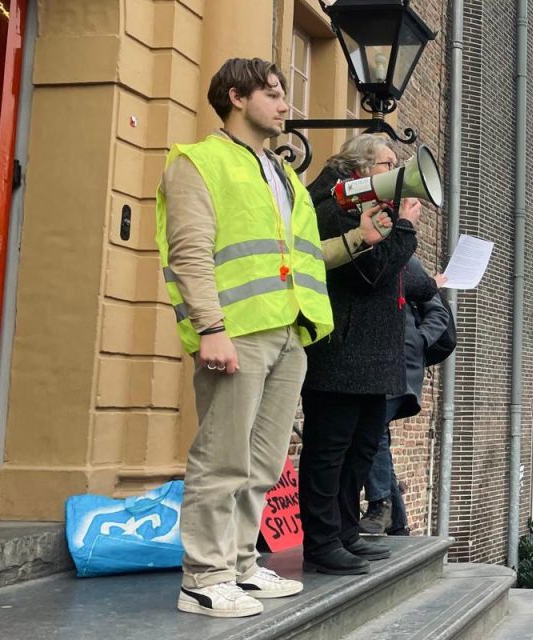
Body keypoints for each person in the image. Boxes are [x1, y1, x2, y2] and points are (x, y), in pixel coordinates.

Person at [158, 58, 393, 617]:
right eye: (273, 94)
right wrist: (210, 328)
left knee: (263, 460)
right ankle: (204, 576)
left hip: (290, 332)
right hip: (236, 332)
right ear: (236, 97)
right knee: (223, 455)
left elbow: (307, 257)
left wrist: (358, 239)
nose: (287, 106)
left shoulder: (285, 177)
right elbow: (190, 253)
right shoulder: (198, 162)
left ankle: (240, 563)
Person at [298, 133, 424, 574]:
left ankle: (346, 532)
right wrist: (405, 227)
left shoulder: (370, 210)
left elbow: (397, 271)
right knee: (329, 450)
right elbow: (371, 272)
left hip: (372, 357)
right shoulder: (336, 208)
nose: (396, 170)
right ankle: (321, 541)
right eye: (387, 162)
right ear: (360, 168)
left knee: (361, 450)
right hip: (343, 354)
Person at [359, 258, 450, 536]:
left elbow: (438, 314)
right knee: (376, 435)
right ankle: (397, 523)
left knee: (371, 428)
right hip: (370, 366)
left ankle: (380, 506)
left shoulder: (405, 262)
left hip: (400, 366)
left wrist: (416, 341)